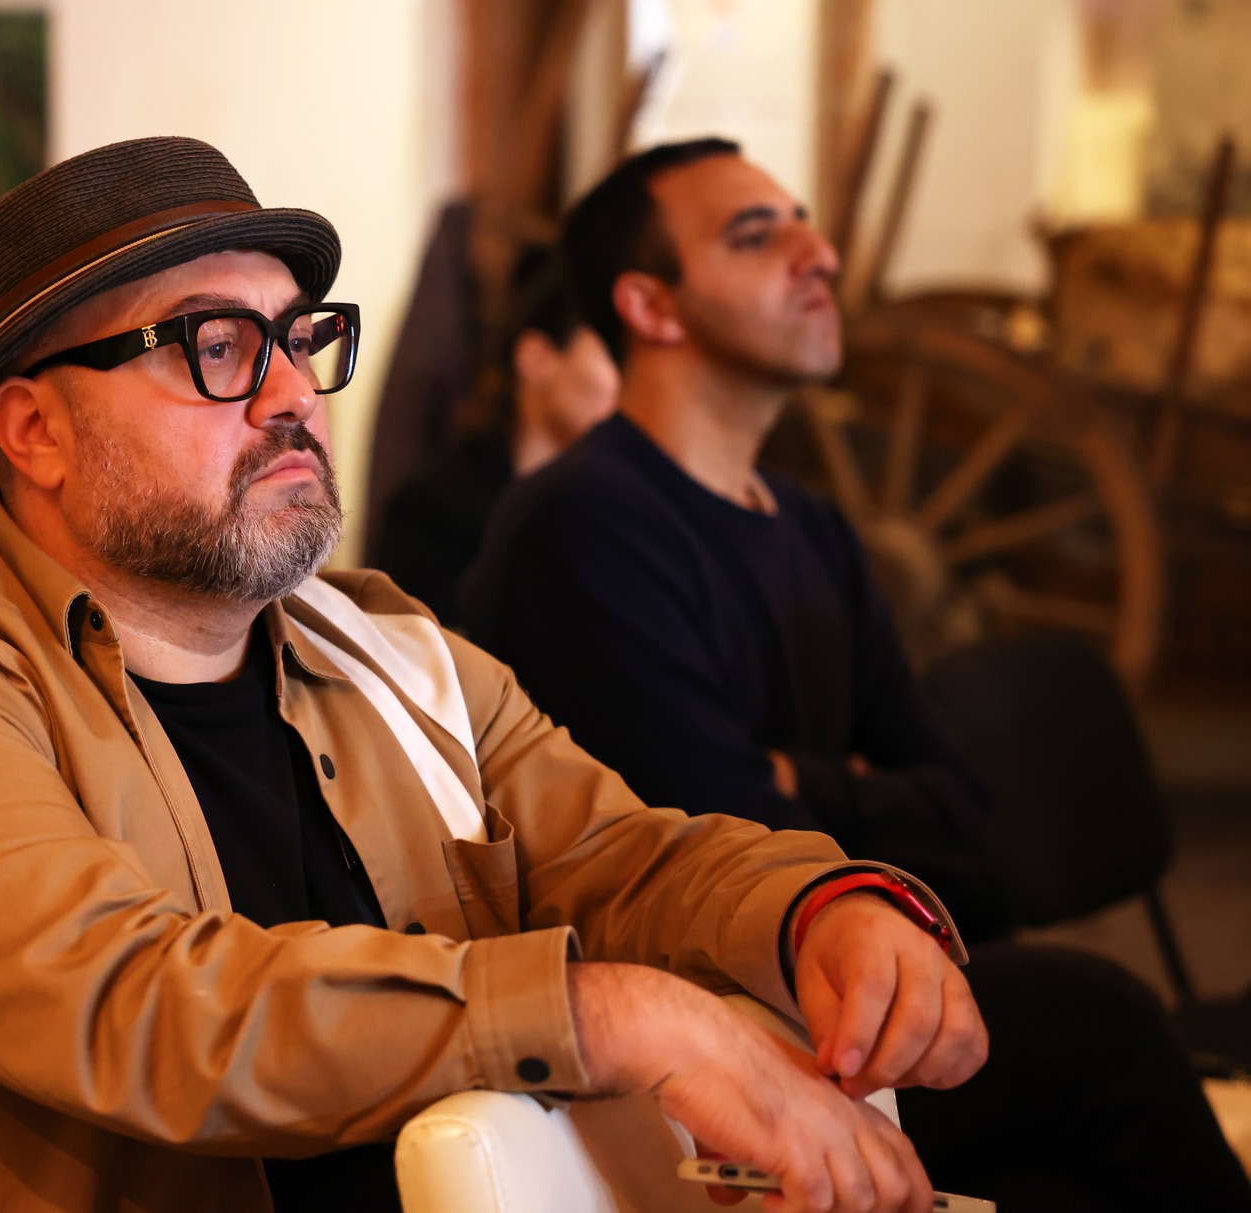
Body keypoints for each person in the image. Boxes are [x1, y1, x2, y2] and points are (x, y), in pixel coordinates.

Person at [0, 135, 990, 1213]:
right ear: (34, 430)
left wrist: (812, 908)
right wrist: (608, 1017)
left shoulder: (383, 646)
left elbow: (620, 856)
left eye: (299, 338)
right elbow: (137, 1006)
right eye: (214, 346)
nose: (290, 394)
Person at [462, 138, 1251, 1212]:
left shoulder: (814, 526)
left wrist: (805, 781)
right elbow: (713, 849)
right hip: (717, 1049)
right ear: (650, 306)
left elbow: (971, 825)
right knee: (1096, 1022)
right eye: (757, 236)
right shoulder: (584, 531)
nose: (820, 254)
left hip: (853, 989)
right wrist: (857, 798)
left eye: (804, 222)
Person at [373, 245, 617, 623]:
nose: (627, 384)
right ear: (536, 359)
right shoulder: (431, 515)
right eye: (612, 356)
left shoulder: (612, 512)